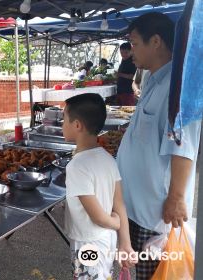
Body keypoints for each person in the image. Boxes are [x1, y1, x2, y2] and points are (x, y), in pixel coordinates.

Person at [117, 12, 201, 279]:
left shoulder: (178, 88)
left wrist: (176, 198)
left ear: (155, 41)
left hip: (154, 213)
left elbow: (184, 146)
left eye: (134, 43)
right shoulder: (153, 78)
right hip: (134, 205)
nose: (131, 51)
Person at [62, 93, 136, 279]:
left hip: (89, 243)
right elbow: (120, 204)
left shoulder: (77, 167)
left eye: (64, 119)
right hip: (107, 239)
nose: (62, 124)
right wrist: (125, 242)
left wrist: (115, 222)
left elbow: (98, 217)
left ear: (77, 125)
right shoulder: (107, 157)